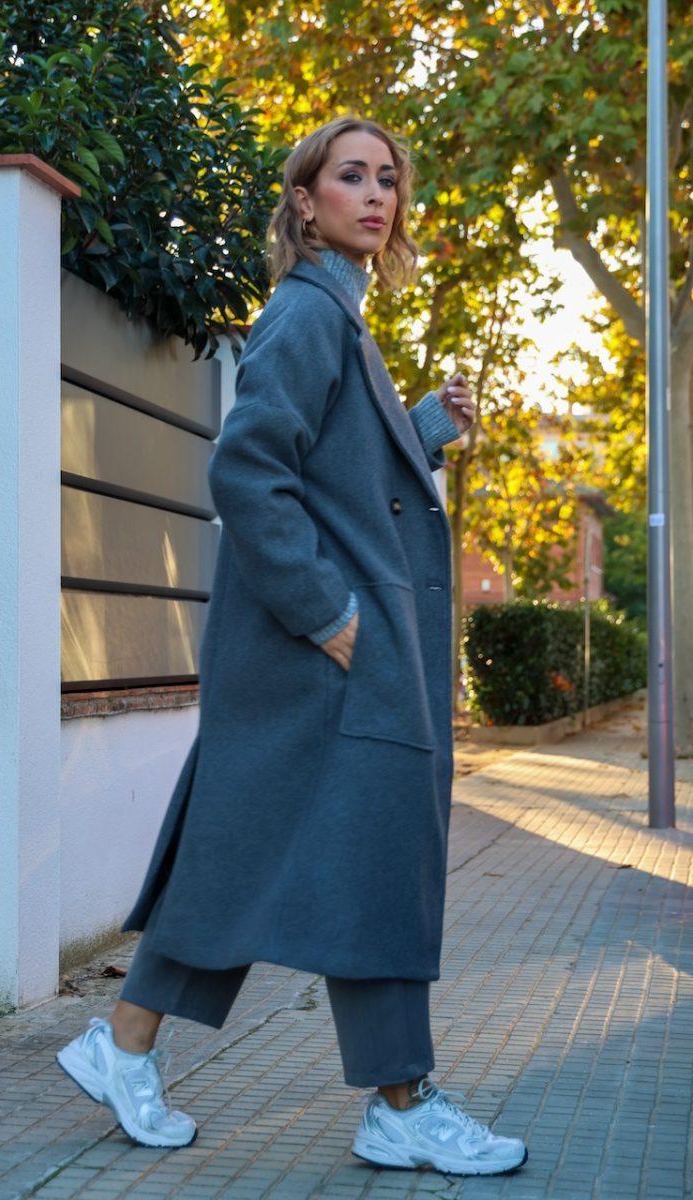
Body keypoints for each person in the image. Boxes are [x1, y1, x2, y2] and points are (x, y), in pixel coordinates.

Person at [56, 116, 528, 1177]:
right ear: (306, 202)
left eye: (388, 178)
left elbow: (330, 471)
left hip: (319, 656)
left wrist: (420, 429)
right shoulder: (309, 313)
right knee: (376, 856)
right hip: (323, 650)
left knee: (250, 854)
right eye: (351, 176)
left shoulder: (337, 318)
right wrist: (330, 615)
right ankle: (400, 1103)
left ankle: (123, 1043)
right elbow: (249, 471)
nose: (377, 194)